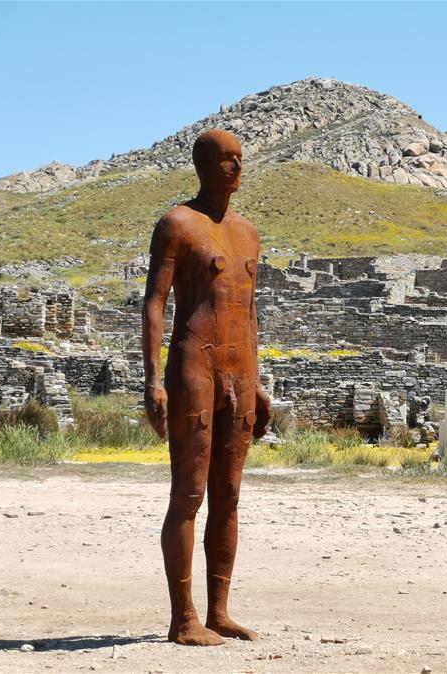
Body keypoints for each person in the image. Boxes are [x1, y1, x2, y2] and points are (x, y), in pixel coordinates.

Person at [142, 129, 272, 646]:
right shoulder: (177, 223)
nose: (236, 168)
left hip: (239, 373)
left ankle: (219, 610)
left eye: (241, 159)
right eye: (226, 160)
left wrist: (257, 381)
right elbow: (155, 302)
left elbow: (250, 311)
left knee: (230, 495)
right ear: (201, 164)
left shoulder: (248, 232)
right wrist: (153, 378)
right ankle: (183, 618)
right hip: (194, 368)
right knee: (190, 493)